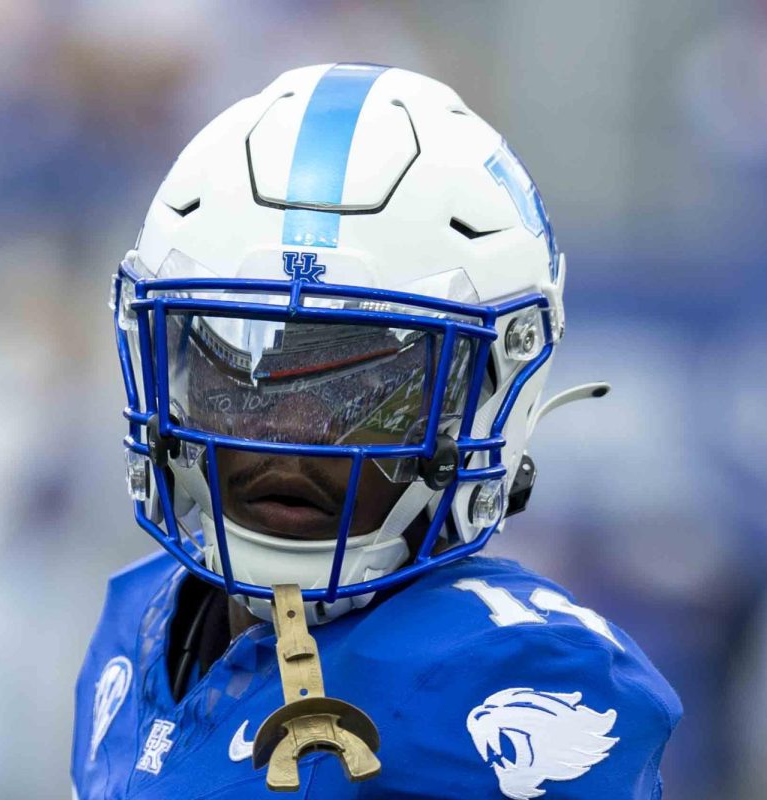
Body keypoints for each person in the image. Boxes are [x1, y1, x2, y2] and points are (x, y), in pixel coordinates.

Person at [70, 63, 681, 799]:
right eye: (244, 373)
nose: (291, 435)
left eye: (363, 391)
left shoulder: (514, 674)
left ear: (486, 397)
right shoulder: (137, 621)